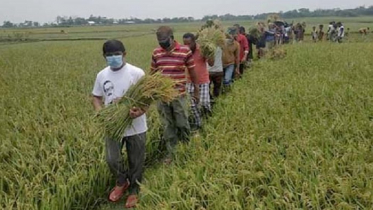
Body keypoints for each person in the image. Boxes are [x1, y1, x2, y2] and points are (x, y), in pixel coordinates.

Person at [92, 40, 147, 208]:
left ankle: (134, 190)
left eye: (117, 54)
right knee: (112, 159)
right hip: (113, 126)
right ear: (104, 57)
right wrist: (100, 111)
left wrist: (140, 111)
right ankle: (122, 182)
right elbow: (96, 97)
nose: (113, 57)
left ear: (124, 54)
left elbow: (147, 98)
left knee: (136, 161)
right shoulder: (102, 75)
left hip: (136, 125)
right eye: (109, 55)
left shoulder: (137, 73)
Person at [150, 26, 199, 164]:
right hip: (162, 97)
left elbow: (193, 72)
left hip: (179, 95)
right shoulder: (156, 53)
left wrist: (196, 90)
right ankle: (172, 153)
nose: (162, 44)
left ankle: (187, 149)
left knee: (182, 123)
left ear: (172, 37)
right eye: (160, 42)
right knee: (167, 126)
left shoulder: (184, 51)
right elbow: (152, 74)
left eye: (164, 41)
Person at [183, 33, 213, 130]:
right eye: (185, 44)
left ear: (194, 42)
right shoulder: (184, 52)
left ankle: (208, 119)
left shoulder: (202, 50)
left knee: (204, 103)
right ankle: (199, 123)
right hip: (190, 81)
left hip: (203, 81)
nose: (187, 46)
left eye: (189, 43)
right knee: (192, 105)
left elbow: (211, 63)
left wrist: (210, 53)